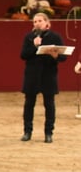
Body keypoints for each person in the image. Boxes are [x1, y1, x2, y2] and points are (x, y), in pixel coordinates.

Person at [19, 12, 66, 143]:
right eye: (35, 21)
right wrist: (35, 46)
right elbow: (23, 55)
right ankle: (27, 132)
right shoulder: (29, 37)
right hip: (32, 75)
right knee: (29, 104)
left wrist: (55, 55)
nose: (37, 23)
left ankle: (48, 133)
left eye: (40, 21)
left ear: (47, 23)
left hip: (48, 75)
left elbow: (63, 57)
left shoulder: (55, 37)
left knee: (49, 104)